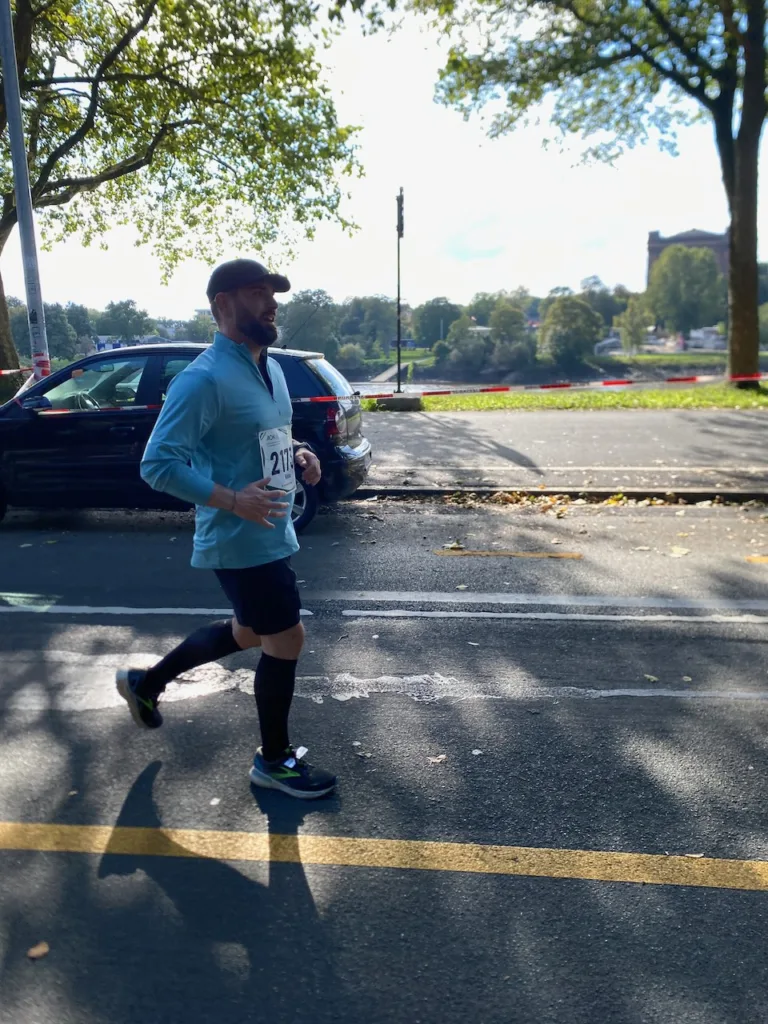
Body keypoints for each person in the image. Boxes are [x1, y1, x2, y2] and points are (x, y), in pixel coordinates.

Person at [116, 258, 336, 800]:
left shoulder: (272, 368)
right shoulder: (203, 379)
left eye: (273, 293)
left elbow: (267, 437)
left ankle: (148, 682)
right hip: (240, 537)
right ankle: (275, 760)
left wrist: (301, 454)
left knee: (246, 633)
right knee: (286, 638)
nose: (272, 303)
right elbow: (159, 465)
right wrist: (234, 500)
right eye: (257, 292)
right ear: (222, 305)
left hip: (272, 529)